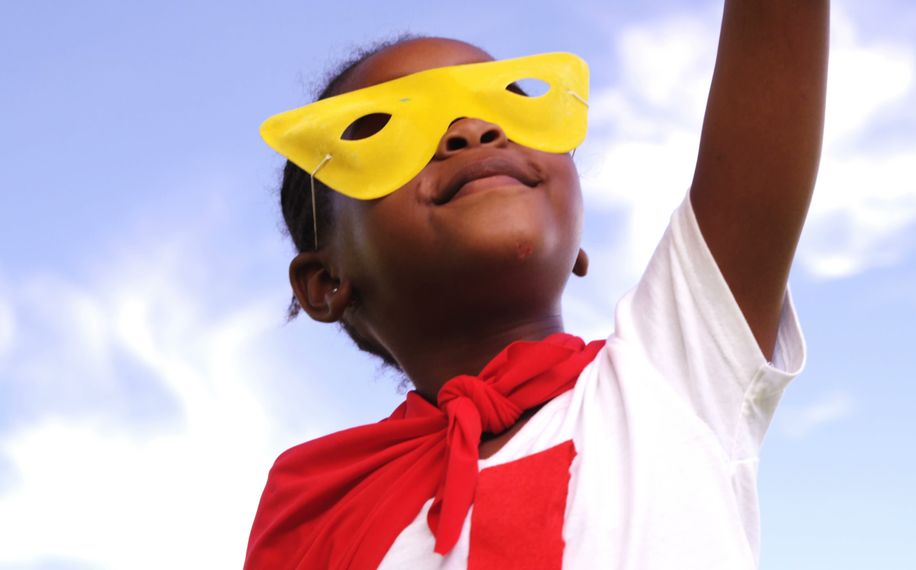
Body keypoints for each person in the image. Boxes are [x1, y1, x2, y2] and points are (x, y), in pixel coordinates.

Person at [245, 1, 829, 568]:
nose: (473, 130)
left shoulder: (673, 376)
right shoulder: (318, 509)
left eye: (512, 106)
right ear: (325, 282)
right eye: (387, 130)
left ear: (576, 241)